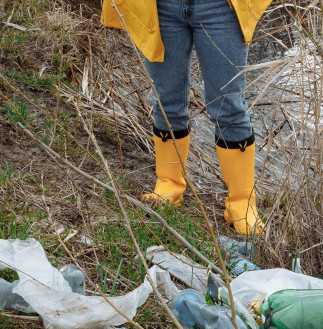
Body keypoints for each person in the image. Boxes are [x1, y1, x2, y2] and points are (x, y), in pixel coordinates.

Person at [101, 0, 271, 236]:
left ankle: (242, 203)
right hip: (161, 7)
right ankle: (169, 186)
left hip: (221, 7)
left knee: (228, 106)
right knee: (166, 101)